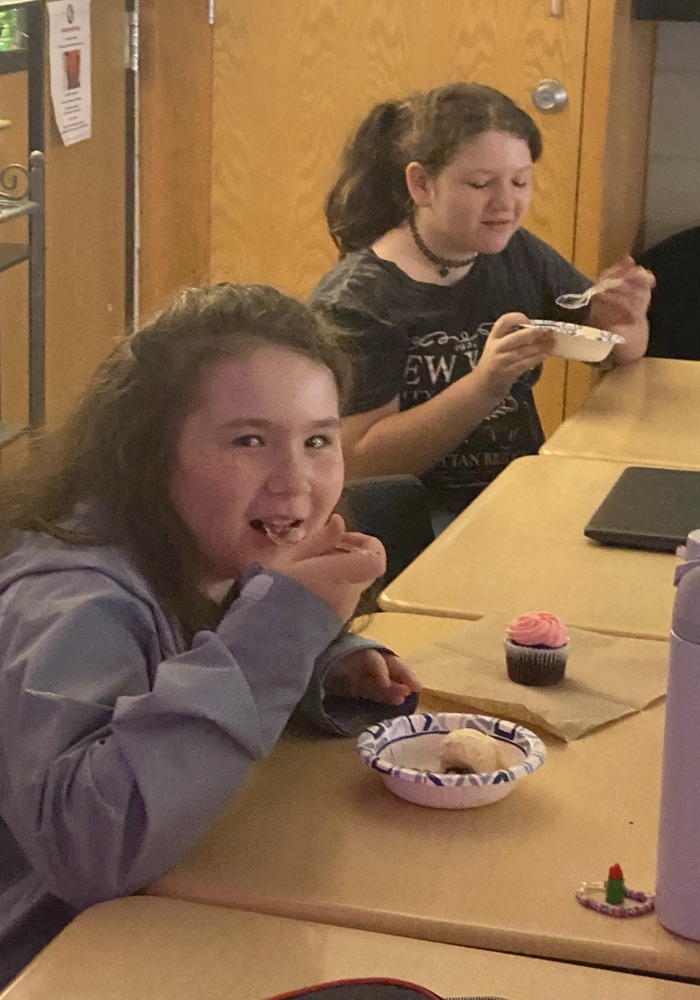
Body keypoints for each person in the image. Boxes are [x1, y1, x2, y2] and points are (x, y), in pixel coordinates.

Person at [0, 283, 421, 987]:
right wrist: (282, 633)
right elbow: (90, 846)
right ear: (148, 453)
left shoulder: (201, 551)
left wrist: (325, 658)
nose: (296, 481)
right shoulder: (72, 600)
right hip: (53, 961)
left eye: (319, 440)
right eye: (249, 440)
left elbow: (200, 658)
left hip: (168, 922)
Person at [311, 82, 654, 524]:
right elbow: (356, 464)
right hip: (414, 519)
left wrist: (629, 314)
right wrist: (485, 386)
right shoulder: (359, 301)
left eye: (520, 181)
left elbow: (619, 350)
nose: (506, 204)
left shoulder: (519, 253)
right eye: (480, 184)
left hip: (516, 493)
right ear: (421, 184)